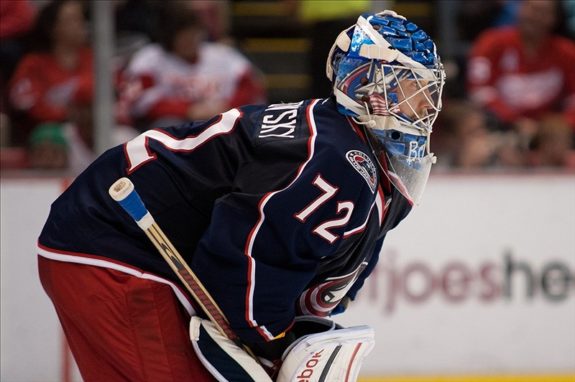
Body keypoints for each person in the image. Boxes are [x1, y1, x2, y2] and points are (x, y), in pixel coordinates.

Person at [37, 10, 445, 381]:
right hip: (114, 243)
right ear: (370, 85)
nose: (428, 103)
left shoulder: (352, 152)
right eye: (414, 86)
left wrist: (283, 333)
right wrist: (266, 338)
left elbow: (304, 270)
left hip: (114, 238)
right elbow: (247, 253)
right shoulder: (337, 159)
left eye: (430, 88)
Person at [118, 3, 266, 131]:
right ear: (170, 36)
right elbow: (139, 102)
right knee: (168, 124)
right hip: (172, 130)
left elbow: (251, 88)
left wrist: (228, 107)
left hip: (222, 122)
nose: (190, 40)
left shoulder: (223, 55)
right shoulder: (150, 58)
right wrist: (187, 110)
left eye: (194, 33)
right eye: (183, 36)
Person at [467, 0, 575, 140]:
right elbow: (479, 90)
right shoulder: (491, 42)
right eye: (532, 9)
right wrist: (514, 121)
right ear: (520, 10)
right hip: (498, 125)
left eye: (543, 12)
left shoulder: (566, 52)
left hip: (551, 131)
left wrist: (564, 122)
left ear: (555, 19)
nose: (535, 17)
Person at [8, 0, 94, 163]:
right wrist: (66, 113)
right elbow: (26, 104)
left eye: (81, 18)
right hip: (50, 130)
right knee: (54, 141)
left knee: (125, 137)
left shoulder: (93, 59)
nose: (80, 25)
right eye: (72, 20)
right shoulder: (33, 63)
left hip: (92, 129)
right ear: (53, 28)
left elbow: (113, 95)